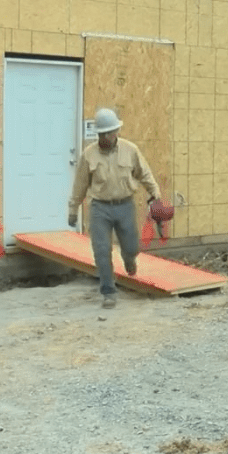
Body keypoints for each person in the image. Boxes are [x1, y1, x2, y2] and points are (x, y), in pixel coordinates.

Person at [68, 108, 161, 309]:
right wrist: (73, 209)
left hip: (125, 205)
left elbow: (145, 174)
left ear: (116, 132)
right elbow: (80, 184)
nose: (106, 137)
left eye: (110, 133)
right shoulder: (89, 155)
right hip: (99, 207)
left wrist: (156, 195)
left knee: (131, 246)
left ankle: (129, 259)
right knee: (101, 250)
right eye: (102, 134)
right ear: (99, 134)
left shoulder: (131, 150)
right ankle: (108, 291)